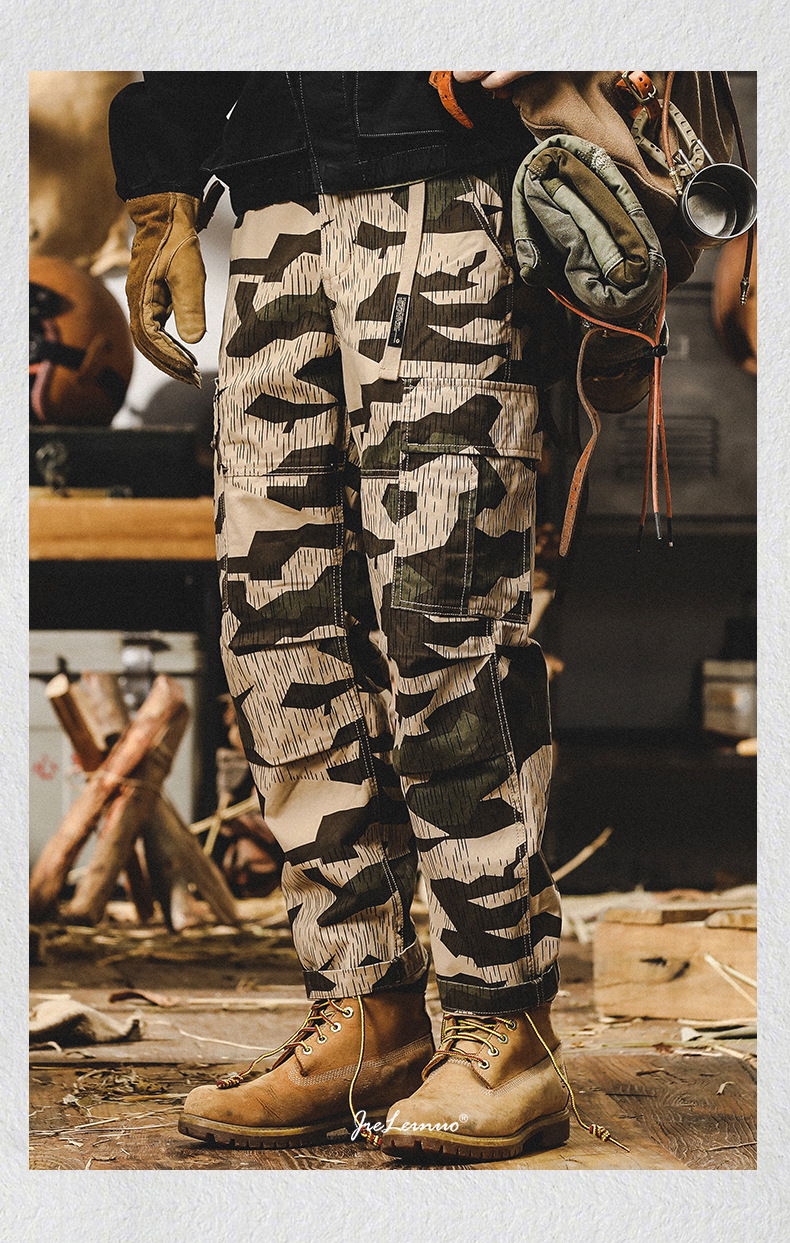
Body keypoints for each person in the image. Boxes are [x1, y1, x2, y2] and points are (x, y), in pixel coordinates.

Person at [109, 70, 573, 1161]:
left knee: (444, 622)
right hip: (271, 200)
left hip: (443, 182)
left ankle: (503, 1021)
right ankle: (367, 1012)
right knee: (278, 626)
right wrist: (162, 174)